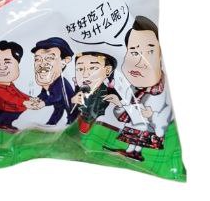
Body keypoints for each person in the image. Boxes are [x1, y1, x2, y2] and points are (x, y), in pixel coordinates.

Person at [108, 16, 173, 162]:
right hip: (136, 122)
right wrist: (119, 104)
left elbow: (165, 115)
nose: (140, 63)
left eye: (150, 52)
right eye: (134, 53)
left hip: (147, 126)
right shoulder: (132, 87)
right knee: (134, 138)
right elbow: (126, 109)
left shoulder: (160, 91)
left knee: (139, 139)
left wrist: (152, 115)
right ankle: (130, 151)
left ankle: (135, 152)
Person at [0, 41, 43, 131]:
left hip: (14, 108)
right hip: (4, 109)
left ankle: (7, 125)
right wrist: (24, 102)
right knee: (3, 120)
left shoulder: (10, 84)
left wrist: (29, 98)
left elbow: (18, 93)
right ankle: (1, 125)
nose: (2, 67)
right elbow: (9, 97)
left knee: (11, 119)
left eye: (7, 62)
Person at [31, 37, 78, 126]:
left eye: (49, 58)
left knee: (71, 115)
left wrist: (44, 103)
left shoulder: (59, 82)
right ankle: (50, 124)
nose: (42, 64)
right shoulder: (48, 80)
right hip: (59, 103)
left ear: (65, 61)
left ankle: (71, 124)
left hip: (69, 102)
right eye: (37, 59)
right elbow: (43, 93)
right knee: (57, 112)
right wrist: (37, 99)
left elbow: (57, 97)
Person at [71, 51, 119, 133]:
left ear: (108, 70)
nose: (85, 74)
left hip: (93, 117)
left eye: (93, 68)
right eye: (80, 69)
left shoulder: (106, 90)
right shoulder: (81, 88)